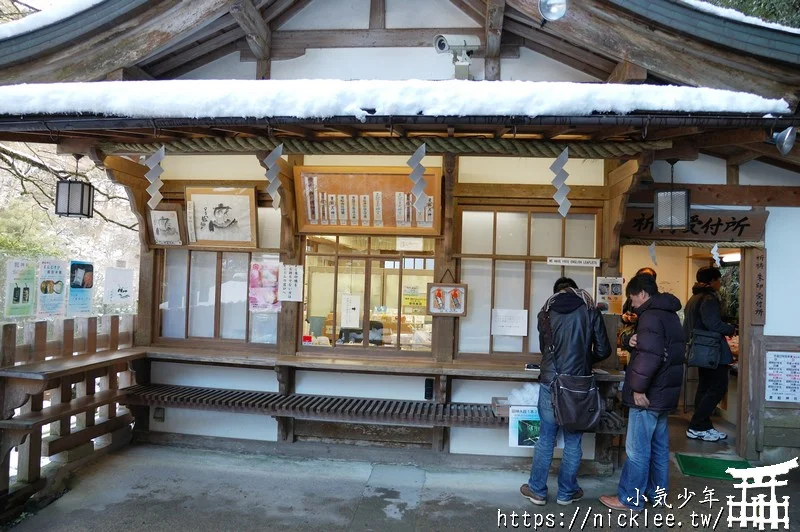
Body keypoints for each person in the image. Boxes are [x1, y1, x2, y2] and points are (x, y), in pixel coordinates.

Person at [520, 277, 611, 506]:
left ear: (556, 292)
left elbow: (545, 350)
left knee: (546, 439)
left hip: (550, 381)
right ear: (576, 290)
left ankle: (538, 491)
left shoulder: (546, 312)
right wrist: (583, 360)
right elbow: (603, 349)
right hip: (578, 385)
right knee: (573, 440)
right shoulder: (590, 309)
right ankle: (566, 493)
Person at [600, 274, 685, 512]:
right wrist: (631, 340)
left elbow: (650, 357)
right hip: (664, 395)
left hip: (647, 395)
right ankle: (657, 495)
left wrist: (638, 388)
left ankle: (630, 499)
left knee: (637, 450)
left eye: (632, 298)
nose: (632, 304)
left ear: (642, 294)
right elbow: (663, 351)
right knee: (658, 448)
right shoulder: (670, 314)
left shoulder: (650, 316)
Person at [684, 266, 736, 442]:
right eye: (718, 280)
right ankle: (697, 425)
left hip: (701, 350)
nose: (720, 283)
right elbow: (713, 324)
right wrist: (730, 328)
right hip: (712, 351)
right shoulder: (708, 299)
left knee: (705, 387)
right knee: (717, 388)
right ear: (712, 281)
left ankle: (703, 426)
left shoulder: (694, 298)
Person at [619, 267, 657, 351]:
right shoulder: (632, 297)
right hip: (633, 343)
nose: (632, 304)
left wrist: (637, 319)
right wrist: (624, 317)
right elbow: (623, 313)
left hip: (644, 351)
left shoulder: (658, 304)